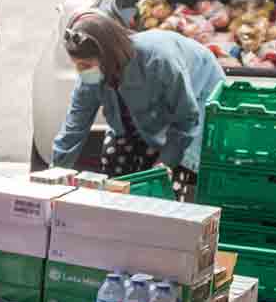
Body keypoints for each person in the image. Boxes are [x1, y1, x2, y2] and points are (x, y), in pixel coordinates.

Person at [51, 11, 226, 200]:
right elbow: (75, 124)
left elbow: (186, 120)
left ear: (108, 55)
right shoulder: (90, 74)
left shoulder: (159, 61)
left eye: (85, 65)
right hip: (141, 117)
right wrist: (53, 173)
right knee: (114, 165)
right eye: (76, 65)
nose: (81, 71)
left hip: (193, 103)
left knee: (163, 183)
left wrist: (165, 163)